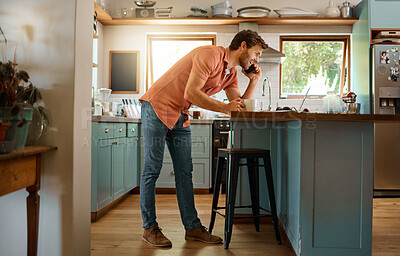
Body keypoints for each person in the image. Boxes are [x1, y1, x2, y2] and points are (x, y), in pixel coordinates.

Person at [139, 29, 268, 247]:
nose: (256, 60)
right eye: (256, 54)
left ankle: (192, 228)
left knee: (185, 171)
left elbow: (238, 109)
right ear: (243, 46)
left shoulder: (231, 74)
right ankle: (149, 228)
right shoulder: (210, 54)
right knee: (153, 168)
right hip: (157, 106)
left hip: (181, 112)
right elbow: (191, 92)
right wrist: (224, 107)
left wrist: (254, 81)